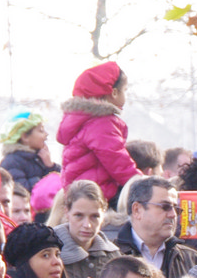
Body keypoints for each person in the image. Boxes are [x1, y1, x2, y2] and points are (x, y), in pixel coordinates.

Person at [58, 62, 142, 204]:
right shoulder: (102, 123)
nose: (125, 96)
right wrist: (140, 183)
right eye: (125, 90)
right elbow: (117, 161)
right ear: (114, 93)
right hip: (100, 195)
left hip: (79, 194)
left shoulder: (82, 121)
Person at [112, 176, 197, 278]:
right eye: (165, 207)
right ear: (137, 210)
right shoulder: (112, 256)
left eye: (176, 209)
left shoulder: (193, 260)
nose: (173, 215)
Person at [47, 179, 121, 278]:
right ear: (67, 212)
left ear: (103, 214)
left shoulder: (113, 257)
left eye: (94, 216)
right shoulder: (47, 252)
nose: (87, 225)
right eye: (79, 216)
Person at [0, 110, 61, 191]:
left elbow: (63, 181)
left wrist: (50, 166)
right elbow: (21, 191)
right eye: (41, 130)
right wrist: (43, 179)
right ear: (25, 137)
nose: (46, 134)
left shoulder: (39, 158)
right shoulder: (12, 162)